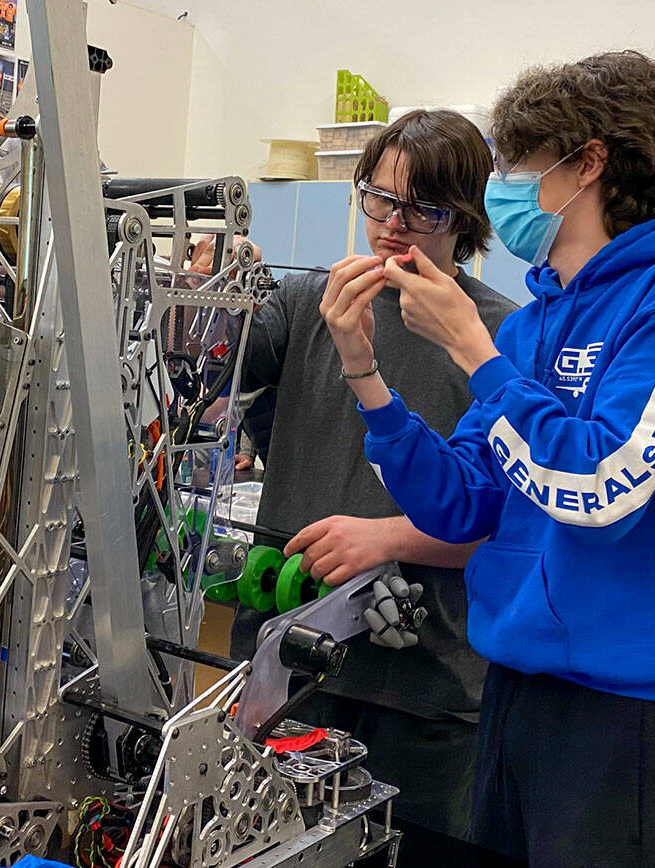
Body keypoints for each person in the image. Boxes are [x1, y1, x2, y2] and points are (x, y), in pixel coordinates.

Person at [320, 51, 655, 867]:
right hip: (519, 687)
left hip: (627, 707)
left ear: (587, 161)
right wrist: (365, 372)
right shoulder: (536, 321)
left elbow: (602, 488)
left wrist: (472, 351)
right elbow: (460, 504)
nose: (503, 188)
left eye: (517, 165)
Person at [210, 109, 519, 865]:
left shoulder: (499, 337)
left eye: (424, 208)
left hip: (427, 689)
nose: (394, 224)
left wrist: (384, 538)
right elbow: (201, 372)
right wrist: (215, 289)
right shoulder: (306, 304)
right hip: (289, 668)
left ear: (466, 218)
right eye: (379, 199)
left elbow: (513, 522)